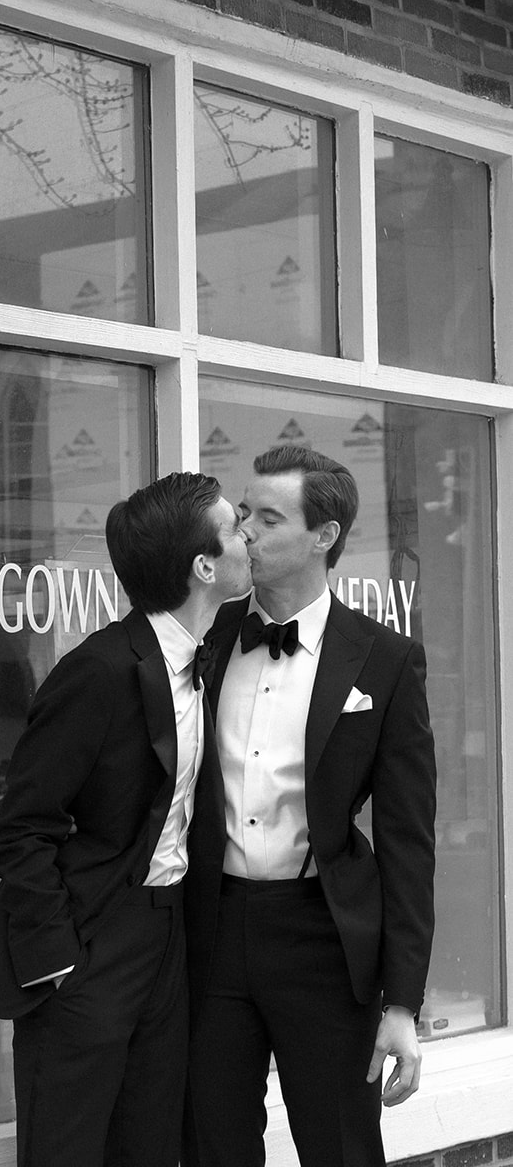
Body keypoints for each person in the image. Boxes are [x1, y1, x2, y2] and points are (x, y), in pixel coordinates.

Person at [0, 471, 252, 1167]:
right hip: (90, 941)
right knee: (68, 1146)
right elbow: (21, 826)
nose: (249, 538)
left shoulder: (200, 654)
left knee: (148, 1142)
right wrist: (57, 961)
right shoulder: (99, 671)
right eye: (236, 529)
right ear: (204, 566)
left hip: (167, 935)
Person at [184, 444, 436, 1167]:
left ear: (323, 536)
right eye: (242, 516)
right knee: (211, 1146)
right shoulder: (204, 638)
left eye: (267, 518)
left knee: (340, 1148)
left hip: (322, 939)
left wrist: (401, 1004)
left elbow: (406, 838)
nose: (245, 533)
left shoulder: (383, 659)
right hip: (208, 929)